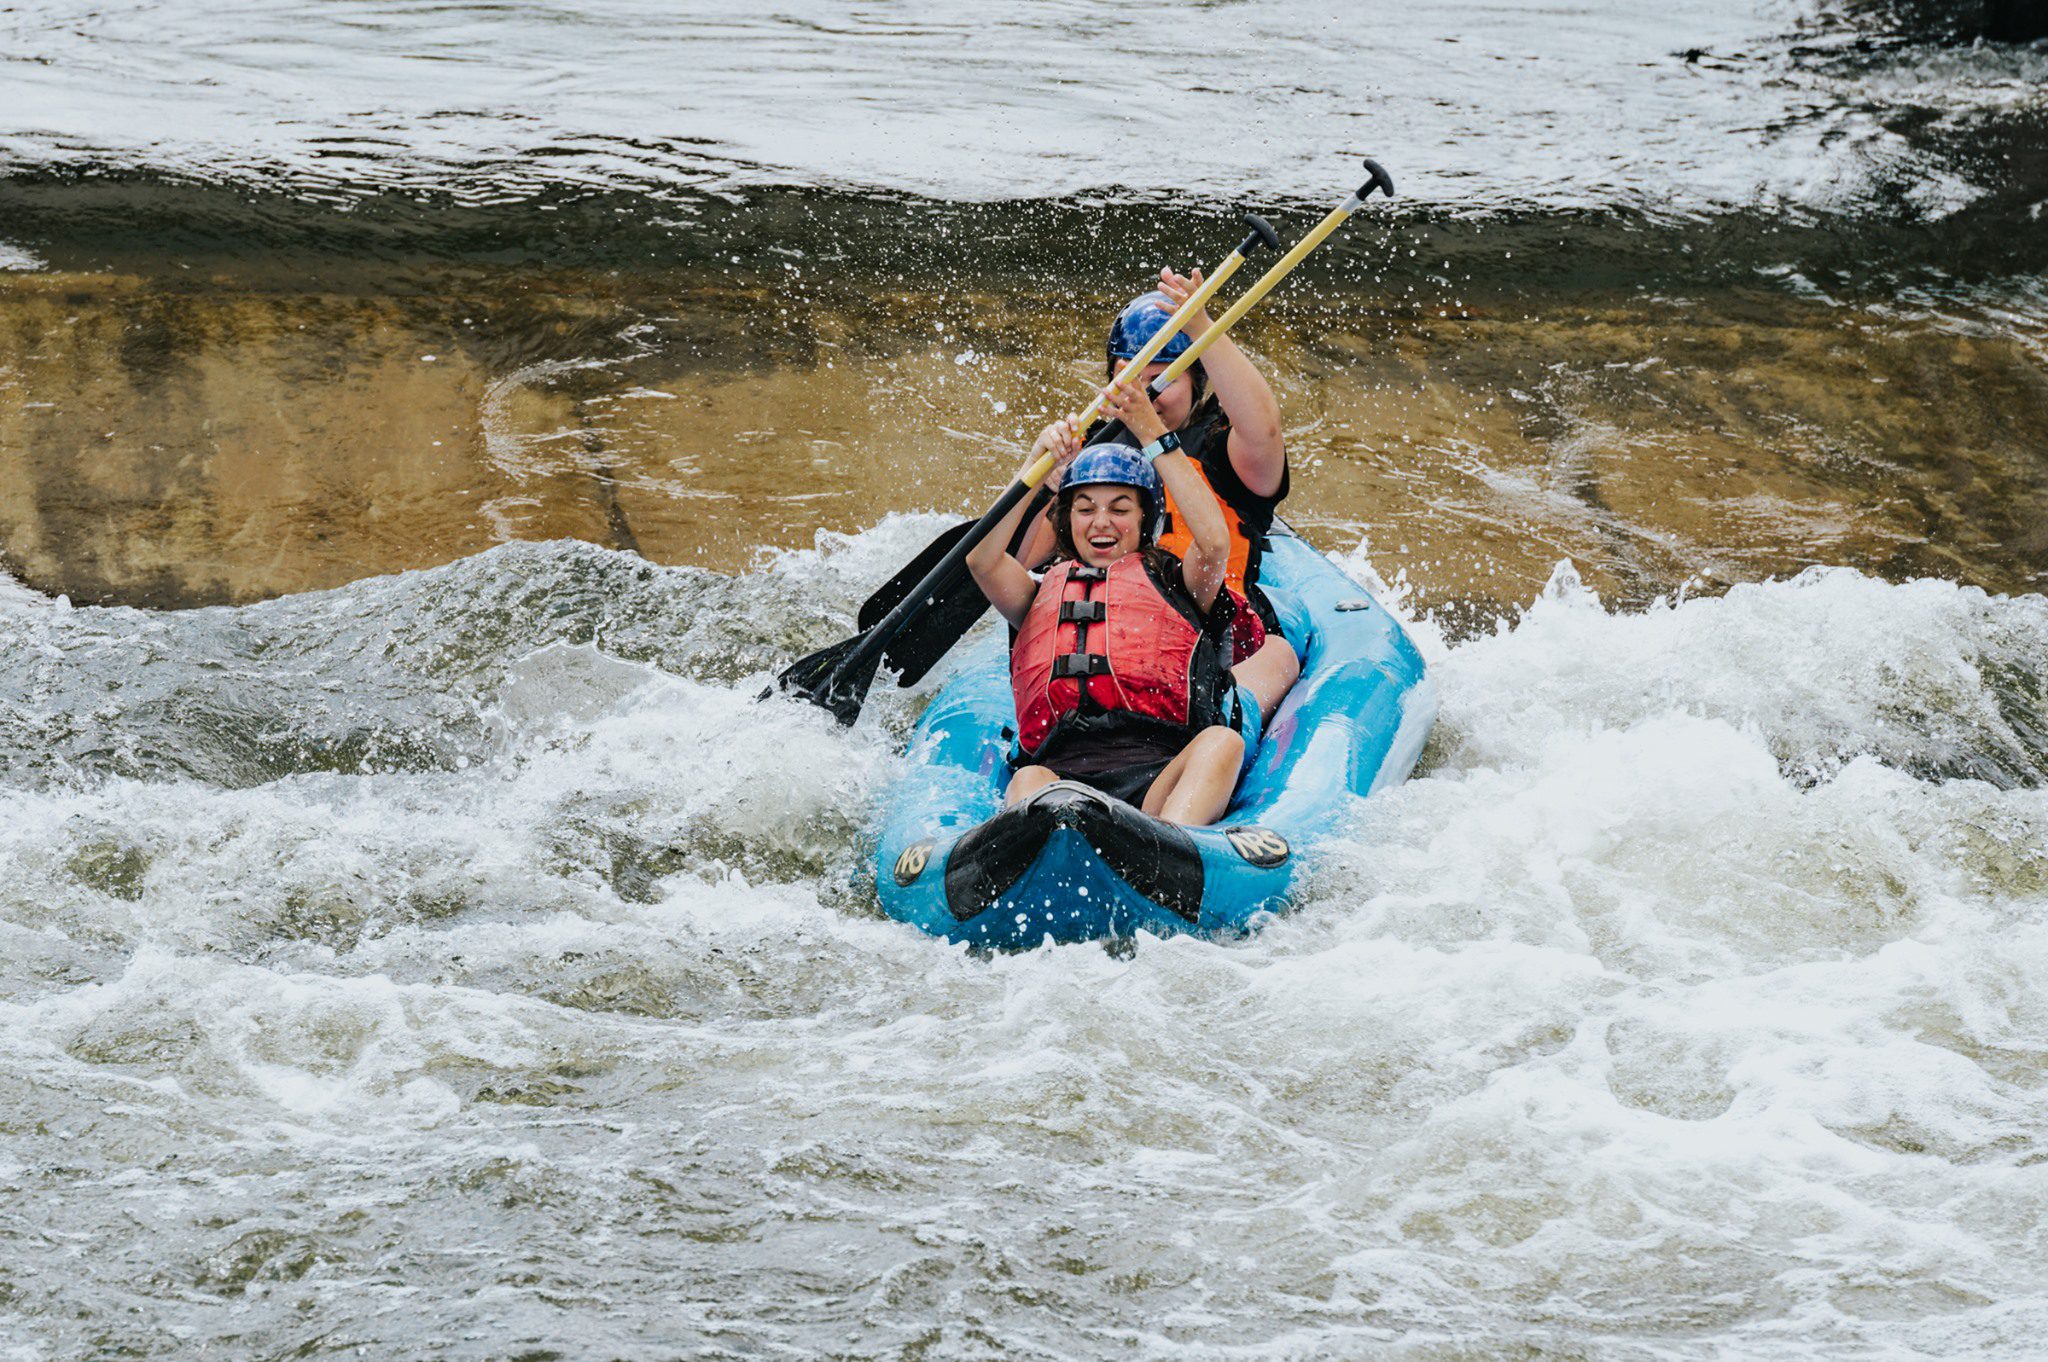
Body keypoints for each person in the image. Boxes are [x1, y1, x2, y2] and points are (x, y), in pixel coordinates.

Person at [964, 377, 1257, 827]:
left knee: (1223, 742)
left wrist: (1152, 434)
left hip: (1158, 783)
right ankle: (1039, 851)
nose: (1102, 522)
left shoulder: (1179, 584)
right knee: (1027, 781)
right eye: (1085, 509)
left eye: (1120, 509)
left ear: (1145, 520)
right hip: (1062, 783)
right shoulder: (1037, 592)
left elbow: (1215, 542)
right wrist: (1035, 465)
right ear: (1068, 520)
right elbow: (982, 558)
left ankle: (1171, 848)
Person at [1020, 270, 1301, 722]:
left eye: (1163, 378)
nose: (1148, 393)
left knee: (1280, 654)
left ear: (1195, 381)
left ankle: (1219, 724)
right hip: (1114, 632)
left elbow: (1264, 426)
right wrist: (1044, 481)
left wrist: (1202, 325)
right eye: (1132, 378)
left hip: (1208, 623)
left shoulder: (1224, 451)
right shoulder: (1092, 457)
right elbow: (1019, 564)